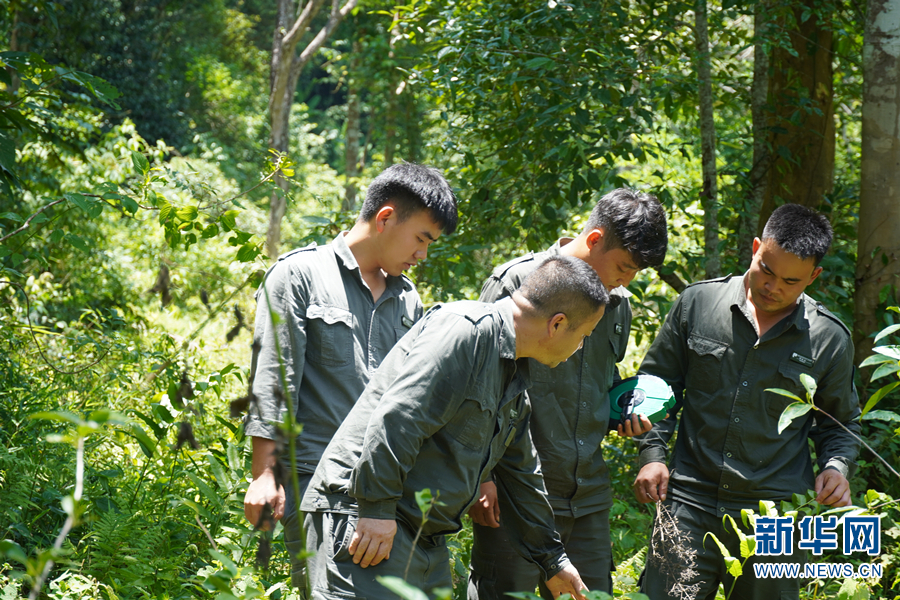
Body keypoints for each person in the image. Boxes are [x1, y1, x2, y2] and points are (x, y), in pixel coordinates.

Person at [301, 256, 609, 600]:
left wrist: (553, 561)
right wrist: (376, 509)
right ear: (557, 324)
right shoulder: (465, 330)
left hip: (422, 533)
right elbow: (398, 417)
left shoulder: (513, 375)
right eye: (584, 335)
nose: (580, 346)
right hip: (367, 513)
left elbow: (523, 477)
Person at [242, 163, 458, 586]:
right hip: (317, 484)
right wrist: (265, 474)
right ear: (385, 218)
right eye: (421, 238)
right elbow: (273, 381)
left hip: (385, 487)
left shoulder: (407, 298)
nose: (423, 255)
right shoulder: (299, 276)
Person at [632, 203, 861, 599]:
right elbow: (656, 385)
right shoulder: (698, 305)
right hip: (689, 500)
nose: (773, 287)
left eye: (790, 281)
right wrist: (652, 454)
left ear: (814, 276)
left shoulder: (828, 339)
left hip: (777, 516)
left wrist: (837, 468)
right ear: (756, 247)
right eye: (766, 270)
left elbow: (840, 425)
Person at [467, 188, 669, 599]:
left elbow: (599, 381)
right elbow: (476, 387)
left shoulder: (618, 303)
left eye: (634, 274)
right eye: (623, 267)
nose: (625, 280)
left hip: (587, 497)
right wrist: (481, 477)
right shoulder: (516, 283)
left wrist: (623, 412)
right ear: (595, 239)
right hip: (516, 495)